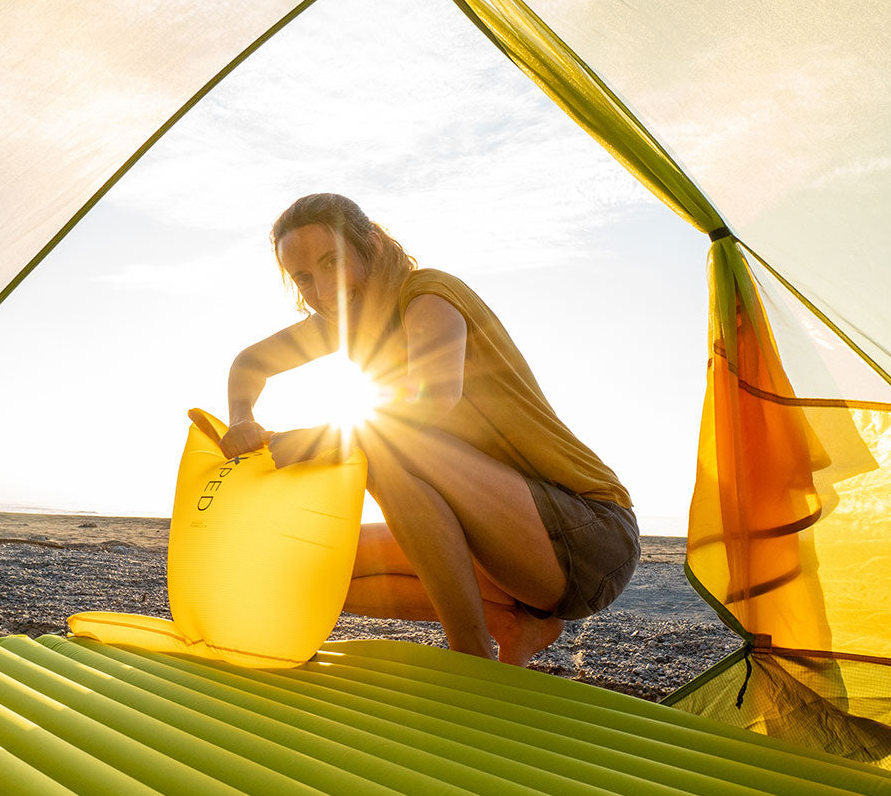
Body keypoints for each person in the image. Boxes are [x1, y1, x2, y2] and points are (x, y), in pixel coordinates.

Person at [216, 193, 639, 667]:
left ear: (370, 244)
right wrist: (241, 420)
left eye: (332, 261)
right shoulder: (345, 323)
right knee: (302, 566)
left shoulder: (427, 294)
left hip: (590, 536)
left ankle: (470, 658)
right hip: (504, 541)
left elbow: (431, 400)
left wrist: (310, 442)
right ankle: (514, 626)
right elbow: (250, 364)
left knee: (385, 442)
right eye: (304, 278)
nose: (321, 290)